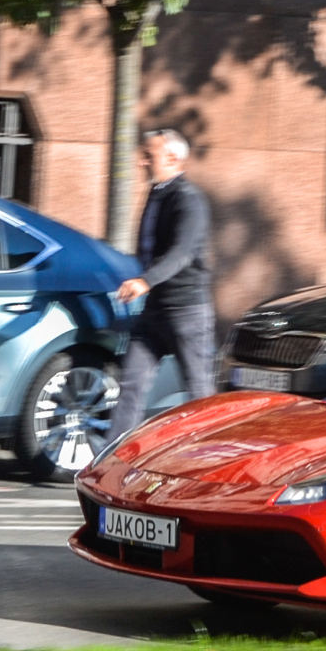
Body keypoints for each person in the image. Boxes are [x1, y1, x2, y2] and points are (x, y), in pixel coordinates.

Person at [108, 128, 216, 446]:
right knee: (131, 383)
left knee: (198, 392)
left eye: (148, 156)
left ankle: (209, 459)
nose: (141, 162)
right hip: (155, 310)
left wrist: (145, 281)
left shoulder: (188, 199)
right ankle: (110, 460)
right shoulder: (158, 193)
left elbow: (181, 253)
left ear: (171, 158)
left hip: (187, 311)